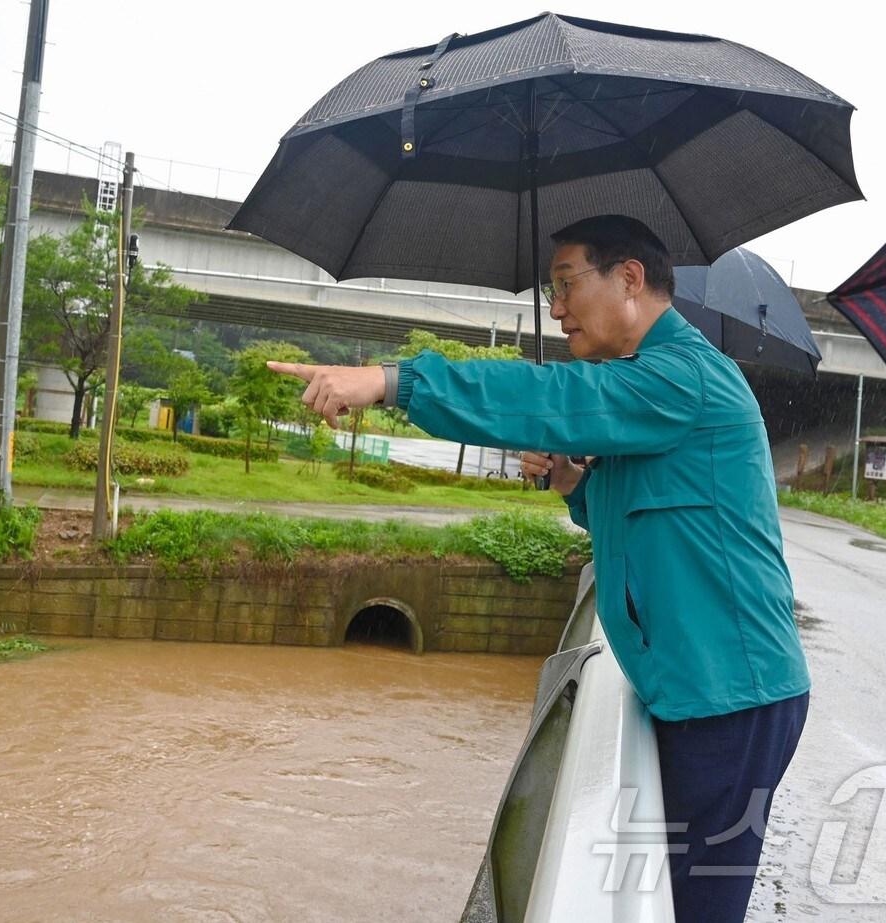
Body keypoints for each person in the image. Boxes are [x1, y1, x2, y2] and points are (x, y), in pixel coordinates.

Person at [267, 215, 809, 922]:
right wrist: (570, 483)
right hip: (696, 686)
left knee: (699, 904)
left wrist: (392, 381)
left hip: (729, 698)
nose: (555, 308)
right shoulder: (645, 385)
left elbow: (552, 397)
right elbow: (637, 519)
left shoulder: (681, 377)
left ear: (630, 279)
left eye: (565, 284)